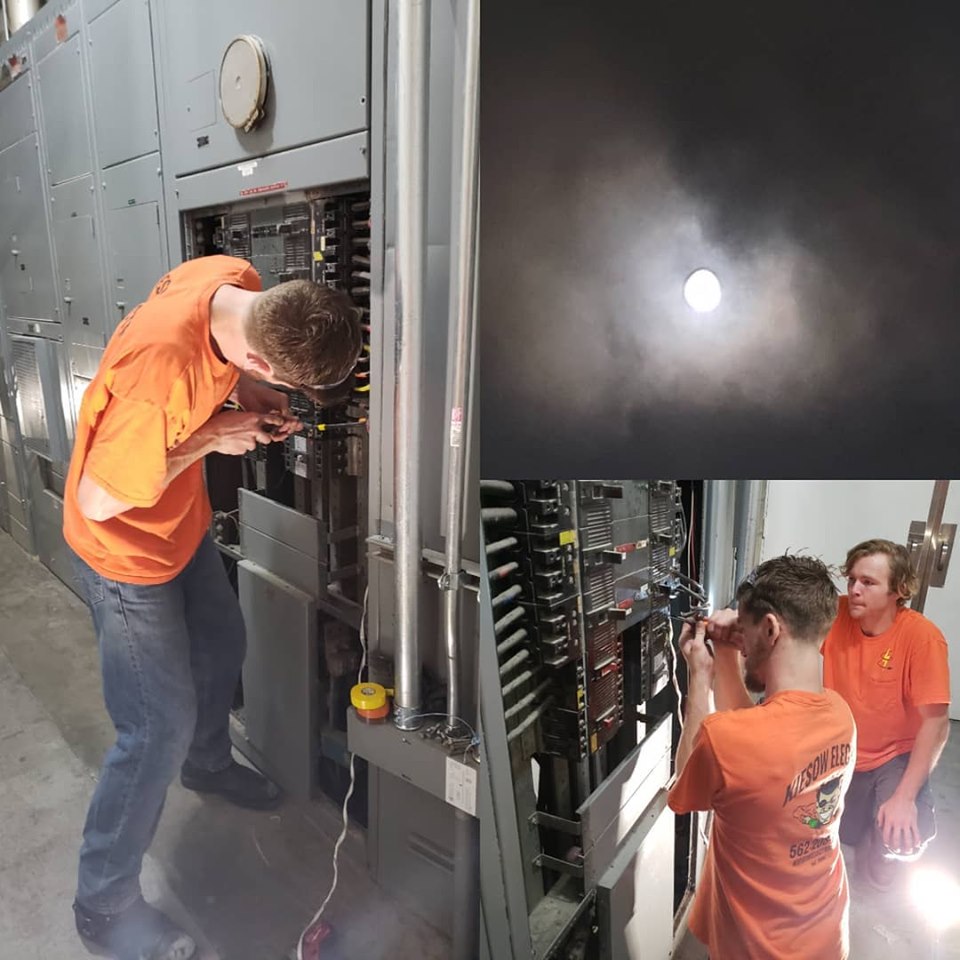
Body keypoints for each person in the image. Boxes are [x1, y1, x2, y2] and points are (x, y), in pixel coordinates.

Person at [62, 255, 363, 960]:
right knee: (153, 729)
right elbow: (98, 498)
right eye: (281, 380)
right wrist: (212, 436)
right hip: (124, 553)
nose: (280, 391)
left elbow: (218, 362)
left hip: (180, 527)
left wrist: (248, 396)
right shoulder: (158, 377)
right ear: (261, 352)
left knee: (223, 644)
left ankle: (206, 764)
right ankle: (103, 902)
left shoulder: (234, 280)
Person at [669, 555, 856, 960]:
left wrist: (699, 676)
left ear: (770, 628)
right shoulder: (841, 715)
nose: (742, 641)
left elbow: (685, 788)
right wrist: (725, 652)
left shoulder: (727, 739)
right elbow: (751, 735)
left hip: (758, 948)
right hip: (825, 934)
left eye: (745, 628)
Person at [821, 539, 950, 888]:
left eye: (868, 582)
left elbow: (936, 723)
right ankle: (863, 825)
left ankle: (882, 848)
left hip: (894, 755)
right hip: (843, 749)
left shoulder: (922, 638)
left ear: (899, 590)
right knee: (832, 829)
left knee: (904, 838)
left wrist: (904, 797)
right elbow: (785, 627)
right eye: (852, 579)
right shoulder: (834, 614)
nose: (854, 590)